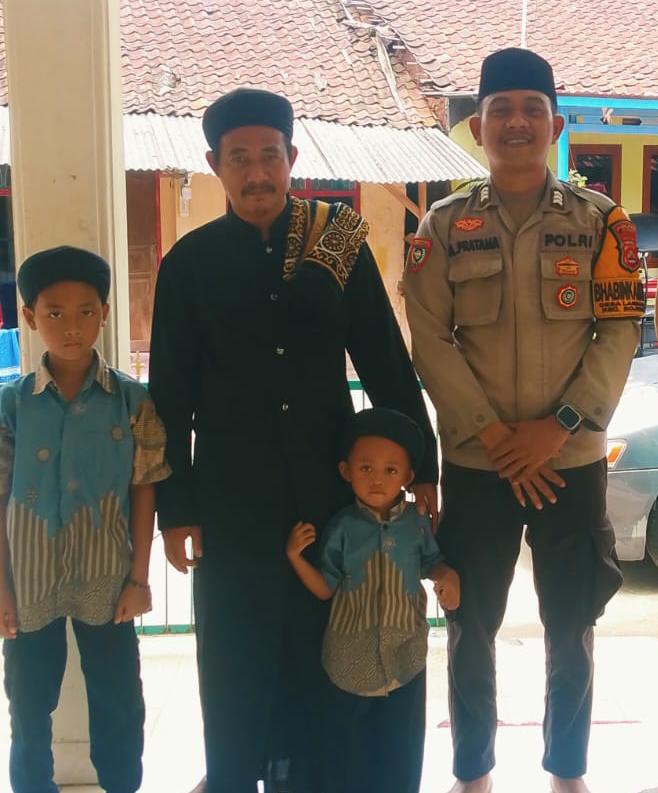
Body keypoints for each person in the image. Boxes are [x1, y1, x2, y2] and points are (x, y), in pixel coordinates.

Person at [148, 87, 439, 793]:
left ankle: (316, 777)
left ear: (292, 157)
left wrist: (424, 466)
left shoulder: (336, 241)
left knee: (323, 643)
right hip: (231, 499)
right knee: (236, 650)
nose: (257, 173)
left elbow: (385, 358)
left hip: (327, 492)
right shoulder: (189, 263)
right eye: (240, 158)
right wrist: (175, 508)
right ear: (215, 164)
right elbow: (169, 397)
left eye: (269, 156)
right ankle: (234, 774)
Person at [403, 48, 644, 793]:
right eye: (500, 110)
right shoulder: (444, 226)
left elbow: (619, 329)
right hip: (479, 466)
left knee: (572, 625)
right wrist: (494, 435)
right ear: (478, 128)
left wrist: (558, 425)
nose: (516, 122)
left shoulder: (602, 222)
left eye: (532, 109)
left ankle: (566, 771)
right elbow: (428, 337)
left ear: (556, 126)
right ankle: (473, 771)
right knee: (468, 623)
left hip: (569, 462)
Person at [0, 246, 170, 793]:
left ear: (104, 313)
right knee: (28, 705)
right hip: (30, 582)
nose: (71, 326)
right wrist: (2, 587)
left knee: (119, 701)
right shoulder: (11, 405)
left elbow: (144, 489)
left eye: (86, 311)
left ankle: (122, 785)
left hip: (109, 580)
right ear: (29, 317)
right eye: (54, 313)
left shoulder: (131, 401)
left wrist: (139, 579)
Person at [286, 407, 459, 793]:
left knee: (402, 752)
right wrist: (295, 557)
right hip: (349, 661)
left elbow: (431, 563)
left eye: (390, 470)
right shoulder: (342, 528)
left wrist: (447, 575)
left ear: (408, 477)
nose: (377, 479)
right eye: (366, 468)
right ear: (346, 471)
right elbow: (325, 587)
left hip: (405, 658)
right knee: (346, 755)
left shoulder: (416, 526)